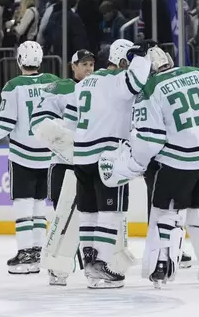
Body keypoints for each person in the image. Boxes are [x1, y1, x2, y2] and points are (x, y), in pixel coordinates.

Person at [99, 45, 199, 288]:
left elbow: (149, 140)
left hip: (176, 163)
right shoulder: (197, 74)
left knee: (167, 215)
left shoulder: (150, 88)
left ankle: (161, 266)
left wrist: (134, 164)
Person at [72, 38, 151, 289]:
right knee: (110, 212)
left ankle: (90, 266)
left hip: (81, 155)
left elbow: (71, 119)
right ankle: (102, 266)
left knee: (89, 212)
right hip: (106, 157)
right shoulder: (117, 80)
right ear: (122, 61)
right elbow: (137, 80)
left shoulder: (85, 83)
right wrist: (142, 55)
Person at [0, 41, 60, 274]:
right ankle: (38, 251)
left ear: (19, 60)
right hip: (48, 155)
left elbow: (5, 123)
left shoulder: (13, 86)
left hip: (22, 155)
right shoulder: (53, 82)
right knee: (39, 204)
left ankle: (26, 253)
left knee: (24, 204)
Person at [29, 49, 95, 285]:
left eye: (91, 64)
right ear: (73, 66)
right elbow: (39, 122)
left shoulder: (101, 87)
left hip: (90, 162)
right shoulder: (60, 87)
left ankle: (93, 264)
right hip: (63, 163)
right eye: (84, 64)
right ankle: (58, 267)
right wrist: (63, 141)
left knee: (91, 216)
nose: (88, 68)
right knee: (62, 214)